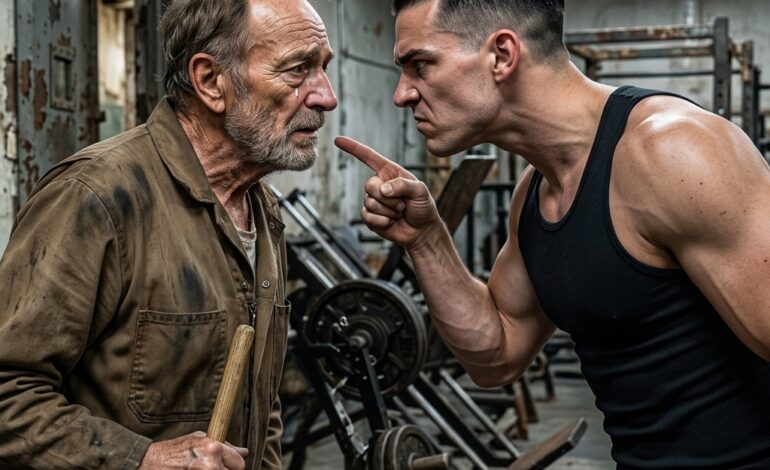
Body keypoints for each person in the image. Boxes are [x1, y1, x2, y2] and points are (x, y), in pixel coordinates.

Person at [335, 0, 770, 468]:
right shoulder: (535, 193)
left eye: (421, 65)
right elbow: (498, 354)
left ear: (502, 55)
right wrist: (426, 240)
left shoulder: (670, 152)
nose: (402, 94)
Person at [0, 0, 336, 468]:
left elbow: (263, 407)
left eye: (324, 68)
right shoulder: (95, 197)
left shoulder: (263, 210)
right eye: (299, 70)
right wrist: (144, 459)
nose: (326, 96)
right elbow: (8, 395)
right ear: (210, 81)